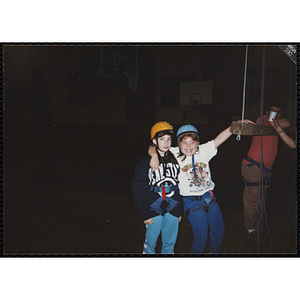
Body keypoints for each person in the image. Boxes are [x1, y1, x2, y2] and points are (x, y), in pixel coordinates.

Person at [149, 120, 255, 254]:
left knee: (219, 231)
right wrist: (153, 155)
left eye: (192, 142)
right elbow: (153, 147)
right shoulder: (174, 153)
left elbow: (220, 138)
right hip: (191, 202)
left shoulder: (204, 151)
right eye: (184, 142)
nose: (188, 146)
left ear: (197, 143)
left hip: (209, 198)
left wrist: (235, 125)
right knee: (201, 237)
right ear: (179, 144)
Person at [241, 102, 291, 242]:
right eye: (272, 111)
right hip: (254, 166)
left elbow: (286, 123)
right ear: (267, 112)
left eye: (278, 112)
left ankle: (256, 227)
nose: (275, 115)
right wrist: (275, 120)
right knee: (252, 200)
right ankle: (251, 230)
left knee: (259, 199)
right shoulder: (264, 120)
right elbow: (286, 123)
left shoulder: (274, 125)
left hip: (262, 167)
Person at [132, 121, 183, 254]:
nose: (166, 143)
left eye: (168, 139)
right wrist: (144, 213)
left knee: (170, 243)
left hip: (173, 206)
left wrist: (179, 210)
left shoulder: (175, 158)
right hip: (153, 207)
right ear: (154, 141)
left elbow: (178, 186)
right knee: (150, 243)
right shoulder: (146, 162)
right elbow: (139, 188)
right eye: (161, 139)